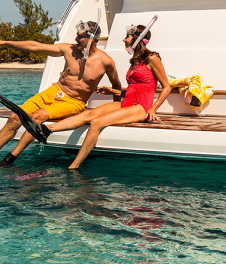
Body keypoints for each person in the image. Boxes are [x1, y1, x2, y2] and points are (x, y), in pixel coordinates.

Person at [0, 21, 121, 170]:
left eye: (80, 36)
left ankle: (9, 159)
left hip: (74, 101)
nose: (76, 39)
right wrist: (5, 43)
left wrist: (116, 110)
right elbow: (35, 46)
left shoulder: (106, 62)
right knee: (15, 117)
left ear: (92, 38)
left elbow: (116, 85)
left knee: (38, 116)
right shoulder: (69, 49)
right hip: (53, 92)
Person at [46, 24, 171, 169]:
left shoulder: (152, 58)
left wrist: (153, 109)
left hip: (141, 107)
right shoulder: (135, 61)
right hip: (127, 102)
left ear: (137, 39)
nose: (124, 39)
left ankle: (74, 166)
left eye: (127, 36)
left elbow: (166, 87)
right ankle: (46, 130)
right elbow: (135, 89)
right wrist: (112, 91)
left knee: (96, 122)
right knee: (88, 114)